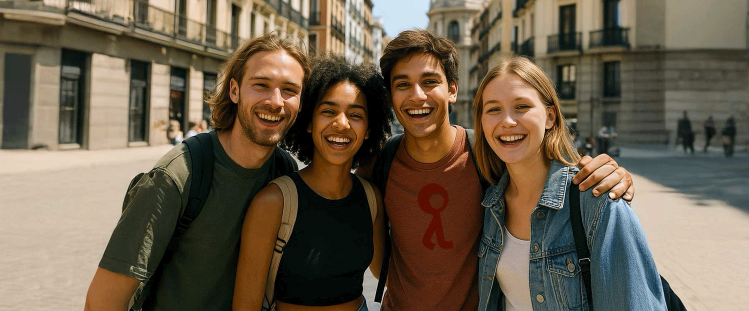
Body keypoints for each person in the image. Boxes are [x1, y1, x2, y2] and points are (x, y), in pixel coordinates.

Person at [356, 30, 635, 311]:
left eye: (429, 82)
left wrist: (608, 173)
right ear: (390, 95)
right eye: (402, 84)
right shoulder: (378, 165)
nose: (417, 96)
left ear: (452, 90)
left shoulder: (488, 154)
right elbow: (378, 261)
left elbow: (544, 166)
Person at [83, 35, 310, 311]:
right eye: (261, 85)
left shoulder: (284, 171)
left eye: (289, 90)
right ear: (235, 91)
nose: (276, 102)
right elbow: (103, 302)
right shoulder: (177, 175)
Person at [475, 56, 666, 310]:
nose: (507, 121)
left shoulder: (597, 200)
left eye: (521, 106)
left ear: (550, 117)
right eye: (494, 109)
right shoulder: (489, 204)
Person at [233, 55, 391, 311]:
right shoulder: (274, 202)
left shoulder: (371, 199)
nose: (341, 124)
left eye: (356, 115)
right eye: (328, 111)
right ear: (308, 122)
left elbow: (392, 276)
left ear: (369, 129)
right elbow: (245, 306)